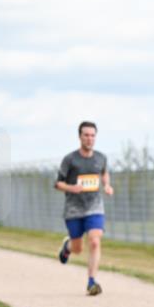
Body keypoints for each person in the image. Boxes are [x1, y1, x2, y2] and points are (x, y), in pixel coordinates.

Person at [55, 121, 113, 295]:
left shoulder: (101, 157)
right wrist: (71, 188)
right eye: (86, 135)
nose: (89, 138)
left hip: (95, 206)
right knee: (78, 249)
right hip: (74, 209)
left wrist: (107, 185)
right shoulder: (70, 159)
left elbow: (103, 172)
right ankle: (67, 247)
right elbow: (58, 183)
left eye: (92, 135)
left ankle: (91, 282)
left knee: (95, 241)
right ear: (80, 137)